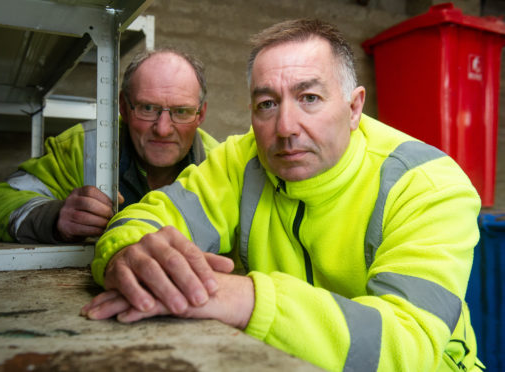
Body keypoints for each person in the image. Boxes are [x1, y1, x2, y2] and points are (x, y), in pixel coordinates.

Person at [81, 19, 484, 371]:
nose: (286, 126)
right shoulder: (242, 158)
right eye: (267, 103)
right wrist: (127, 254)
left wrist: (246, 299)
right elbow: (153, 213)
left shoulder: (428, 185)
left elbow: (407, 349)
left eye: (309, 98)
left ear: (354, 107)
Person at [0, 48, 219, 243]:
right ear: (123, 108)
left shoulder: (219, 164)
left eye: (182, 111)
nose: (163, 128)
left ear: (201, 114)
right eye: (148, 108)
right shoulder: (82, 146)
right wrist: (54, 217)